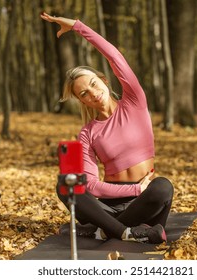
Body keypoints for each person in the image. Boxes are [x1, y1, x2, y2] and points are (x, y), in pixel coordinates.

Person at [40, 12, 174, 244]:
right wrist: (133, 190)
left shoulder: (134, 102)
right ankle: (125, 232)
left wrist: (77, 26)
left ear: (103, 79)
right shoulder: (88, 132)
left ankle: (102, 230)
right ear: (82, 101)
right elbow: (91, 184)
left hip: (143, 200)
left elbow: (114, 56)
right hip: (109, 200)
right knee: (66, 185)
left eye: (93, 84)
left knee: (163, 187)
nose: (93, 93)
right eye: (84, 93)